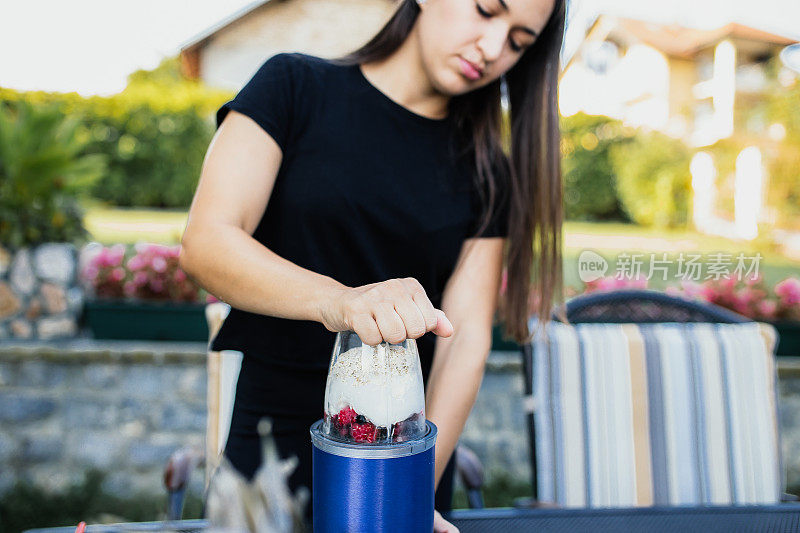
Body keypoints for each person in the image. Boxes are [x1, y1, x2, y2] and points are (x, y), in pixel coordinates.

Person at [180, 0, 566, 529]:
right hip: (271, 455)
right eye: (485, 9)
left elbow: (466, 338)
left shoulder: (486, 169)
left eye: (520, 41)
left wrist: (406, 492)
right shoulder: (292, 87)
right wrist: (342, 302)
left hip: (401, 458)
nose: (495, 48)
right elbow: (207, 242)